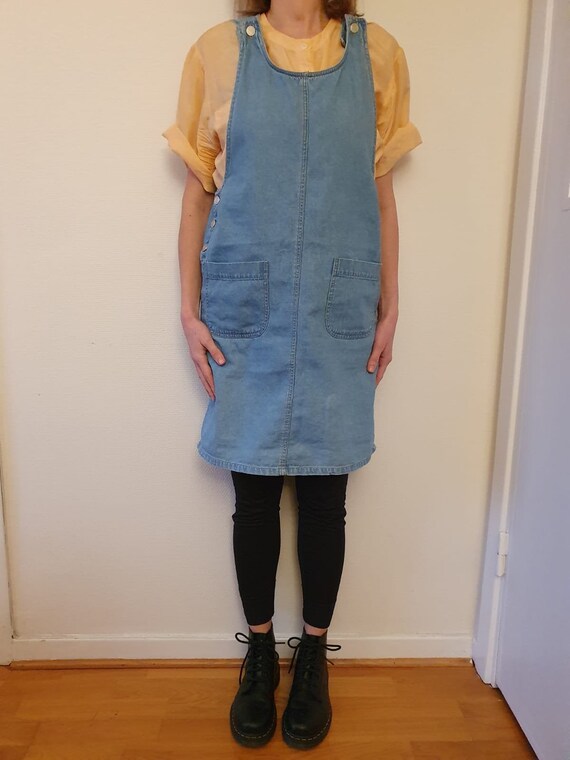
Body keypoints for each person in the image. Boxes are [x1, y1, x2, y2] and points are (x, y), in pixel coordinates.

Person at [162, 0, 422, 749]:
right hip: (245, 309)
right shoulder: (218, 52)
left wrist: (391, 308)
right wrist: (188, 312)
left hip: (340, 307)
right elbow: (196, 197)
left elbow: (382, 197)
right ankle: (258, 654)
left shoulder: (378, 55)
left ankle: (311, 655)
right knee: (251, 496)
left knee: (324, 497)